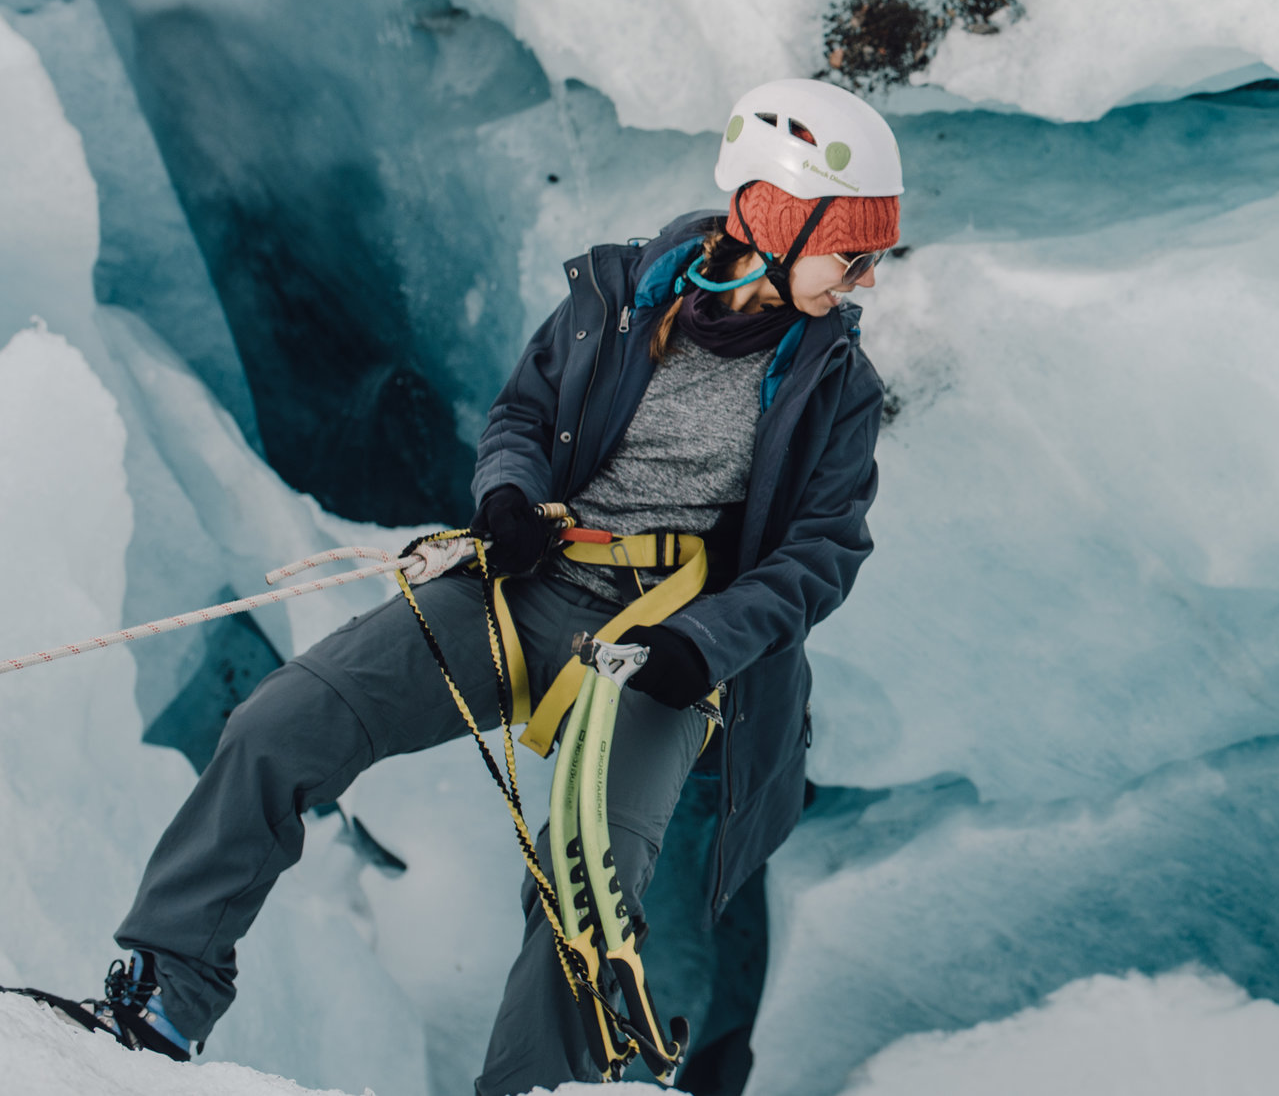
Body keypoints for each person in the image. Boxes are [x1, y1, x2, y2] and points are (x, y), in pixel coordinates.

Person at [86, 77, 898, 1094]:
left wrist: (705, 646)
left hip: (666, 646)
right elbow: (522, 415)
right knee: (282, 724)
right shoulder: (615, 295)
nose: (867, 277)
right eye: (855, 248)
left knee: (585, 893)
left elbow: (823, 553)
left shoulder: (838, 387)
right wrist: (507, 497)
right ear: (776, 219)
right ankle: (163, 995)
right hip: (533, 588)